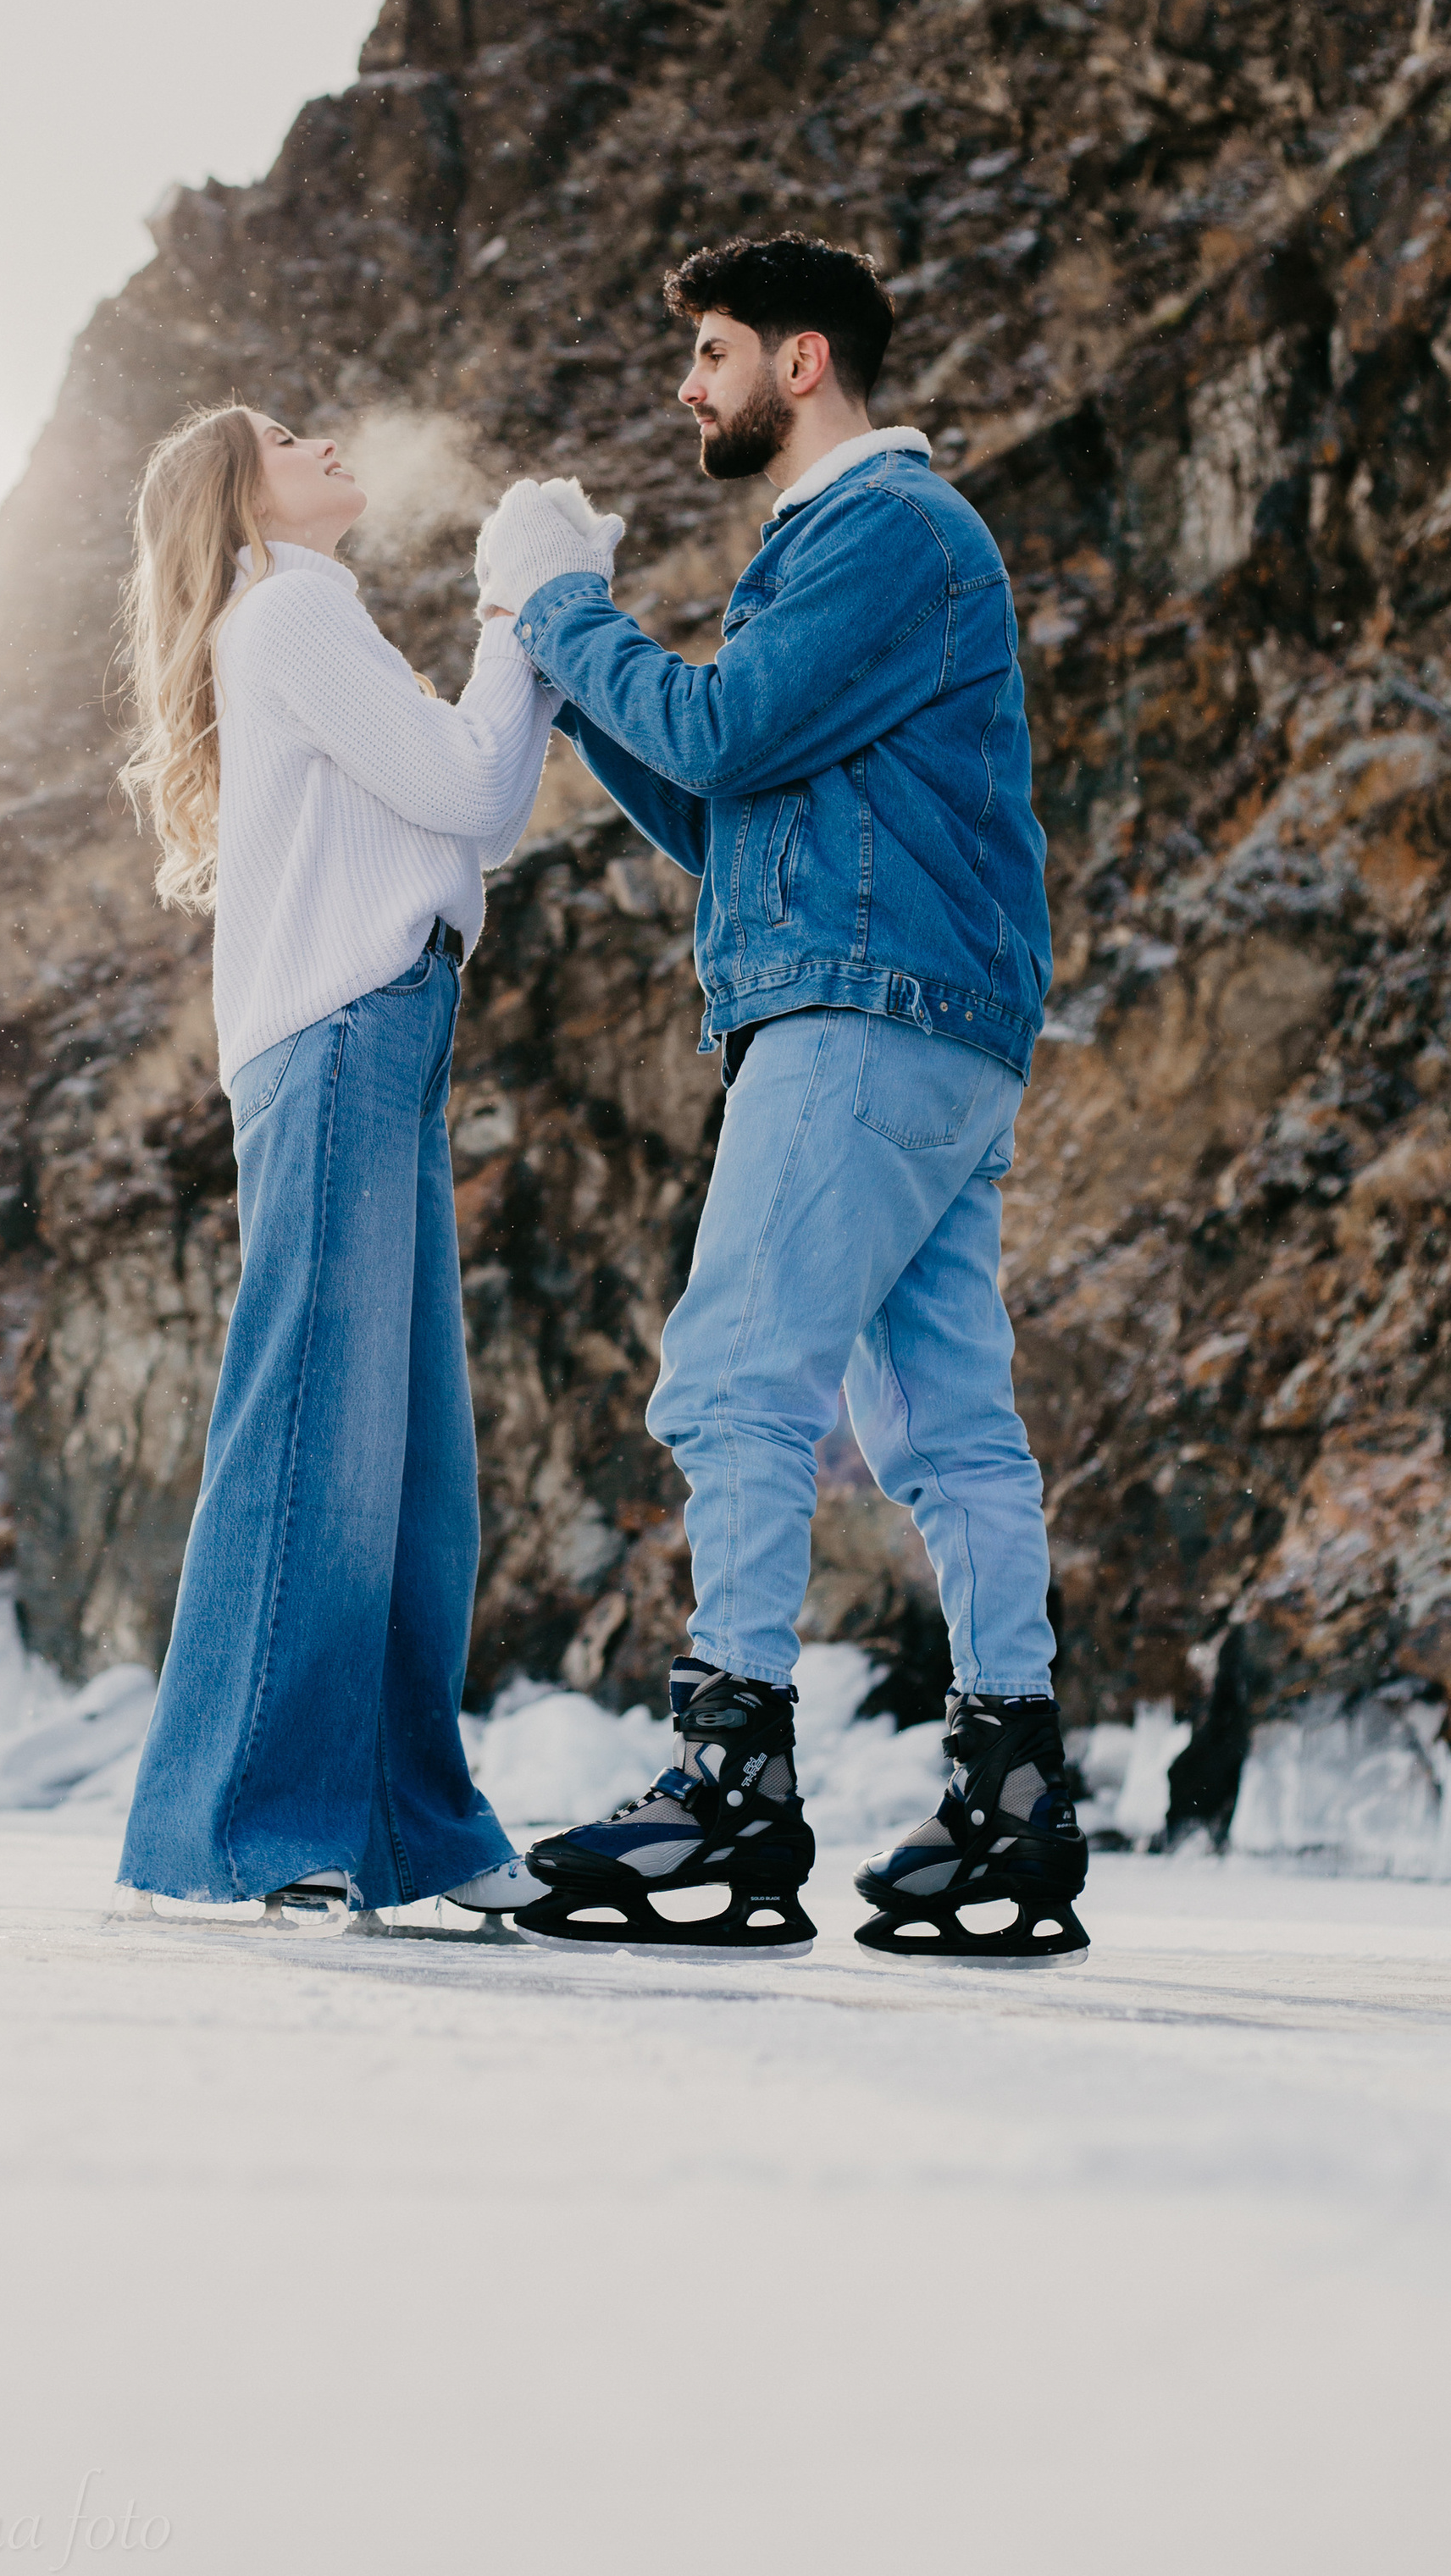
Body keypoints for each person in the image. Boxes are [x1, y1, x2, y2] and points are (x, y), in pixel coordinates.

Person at [470, 233, 1091, 1965]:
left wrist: (563, 611)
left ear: (800, 361)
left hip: (860, 1019)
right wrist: (567, 676)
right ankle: (1011, 1800)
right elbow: (721, 809)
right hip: (929, 1030)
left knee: (737, 1378)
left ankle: (729, 1785)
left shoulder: (884, 528)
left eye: (713, 352)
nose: (688, 385)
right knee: (945, 1430)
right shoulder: (862, 547)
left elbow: (727, 735)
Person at [112, 398, 591, 1927]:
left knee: (411, 1468)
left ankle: (413, 1831)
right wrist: (520, 609)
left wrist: (528, 617)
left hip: (374, 1040)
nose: (323, 442)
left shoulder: (309, 616)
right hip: (338, 1038)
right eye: (285, 438)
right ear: (243, 500)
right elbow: (477, 794)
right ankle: (257, 1828)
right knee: (319, 1441)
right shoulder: (290, 612)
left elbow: (467, 807)